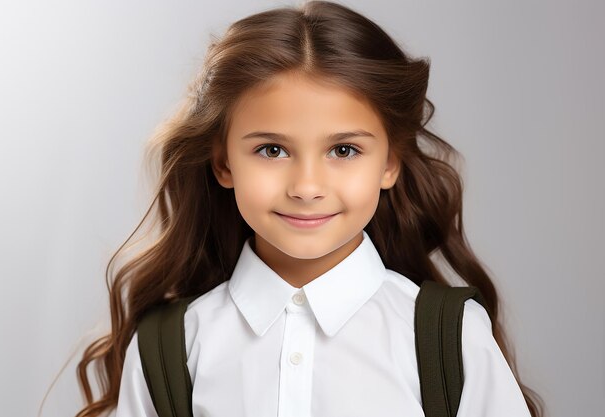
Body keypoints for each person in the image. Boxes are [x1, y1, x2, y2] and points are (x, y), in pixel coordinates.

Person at [74, 1, 544, 416]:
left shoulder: (450, 337)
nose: (306, 187)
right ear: (223, 163)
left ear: (390, 162)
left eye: (343, 150)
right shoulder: (171, 348)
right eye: (272, 150)